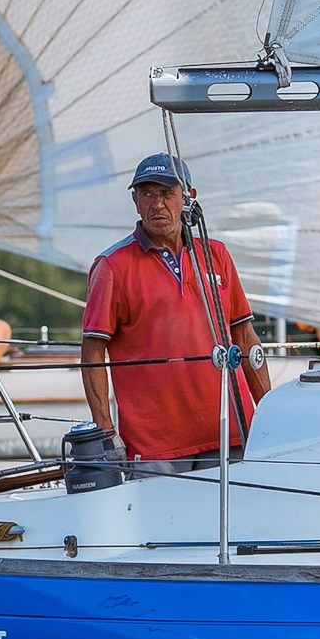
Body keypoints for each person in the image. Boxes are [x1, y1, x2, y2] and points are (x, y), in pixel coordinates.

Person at [79, 153, 272, 466]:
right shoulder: (111, 266)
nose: (157, 204)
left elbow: (246, 337)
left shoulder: (216, 253)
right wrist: (104, 430)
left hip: (231, 432)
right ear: (135, 200)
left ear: (188, 198)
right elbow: (91, 352)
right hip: (154, 447)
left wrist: (268, 415)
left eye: (168, 193)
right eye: (148, 194)